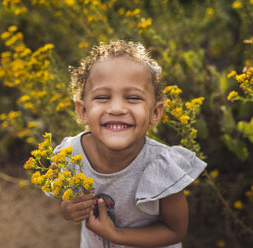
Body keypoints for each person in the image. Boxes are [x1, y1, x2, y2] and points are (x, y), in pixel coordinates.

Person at [54, 40, 207, 248]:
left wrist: (116, 235)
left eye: (133, 98)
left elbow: (175, 231)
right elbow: (64, 203)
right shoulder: (69, 154)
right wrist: (68, 209)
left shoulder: (162, 167)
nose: (117, 108)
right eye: (102, 97)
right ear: (82, 111)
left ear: (155, 113)